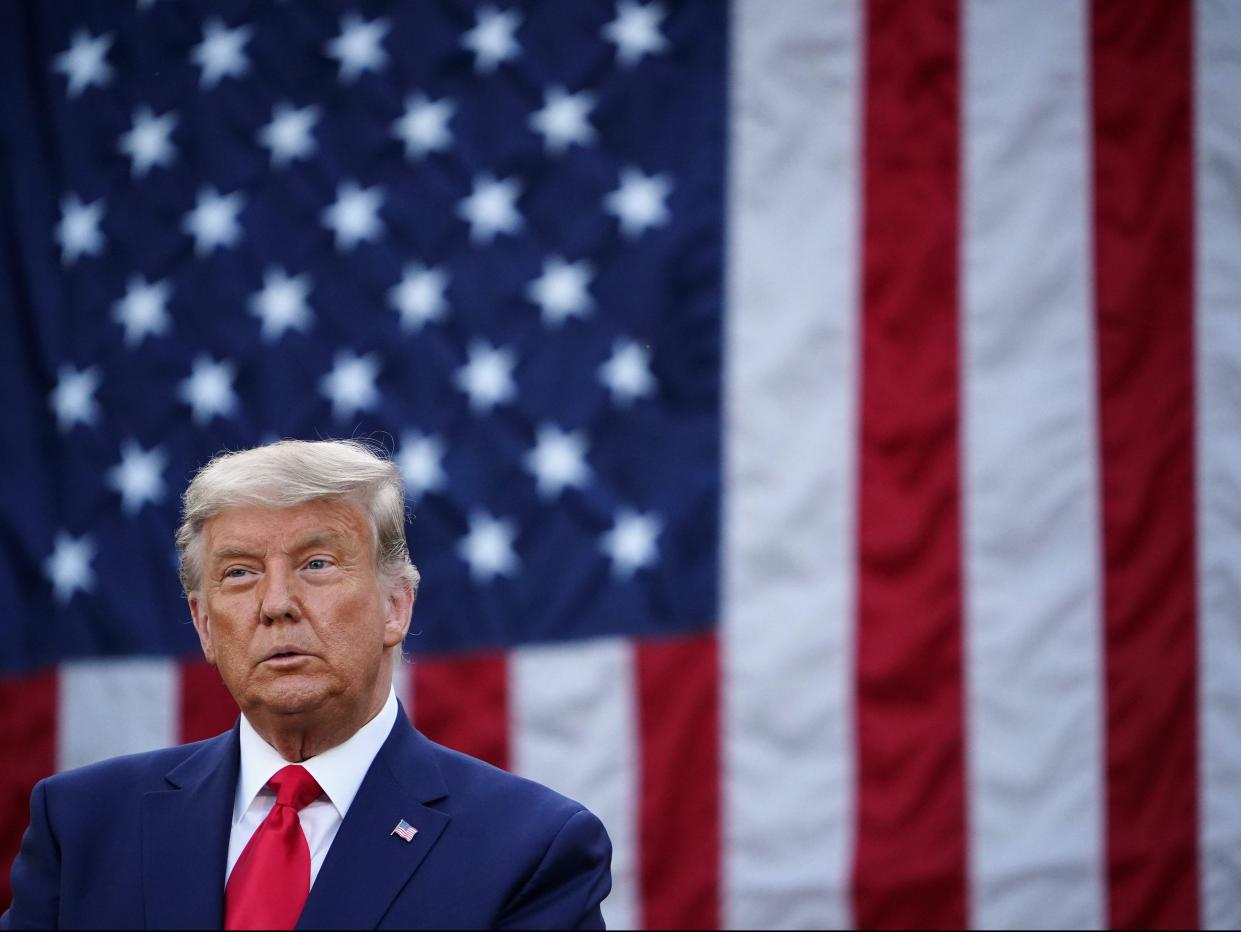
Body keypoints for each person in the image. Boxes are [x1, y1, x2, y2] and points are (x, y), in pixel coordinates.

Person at [2, 439, 612, 930]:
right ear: (204, 624)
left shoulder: (529, 850)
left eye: (316, 564)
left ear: (396, 606)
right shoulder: (81, 826)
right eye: (239, 573)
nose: (275, 604)